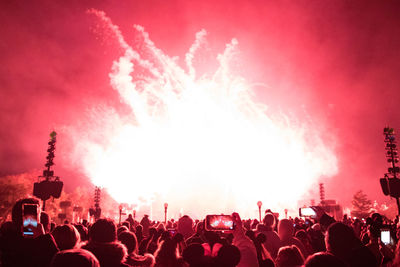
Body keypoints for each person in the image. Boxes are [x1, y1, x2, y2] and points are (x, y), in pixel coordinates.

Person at [0, 198, 59, 267]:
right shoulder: (41, 244)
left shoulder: (6, 241)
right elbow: (58, 262)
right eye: (39, 214)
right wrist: (43, 238)